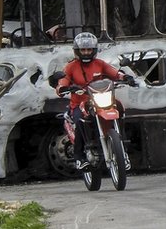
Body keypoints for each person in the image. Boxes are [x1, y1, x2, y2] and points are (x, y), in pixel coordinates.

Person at [56, 32, 135, 171]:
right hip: (80, 104)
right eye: (83, 50)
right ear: (77, 51)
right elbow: (63, 81)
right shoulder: (71, 67)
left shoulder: (100, 64)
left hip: (101, 100)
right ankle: (79, 157)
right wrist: (63, 87)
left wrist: (125, 77)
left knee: (120, 108)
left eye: (89, 50)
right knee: (80, 119)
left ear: (94, 50)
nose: (86, 53)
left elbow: (114, 73)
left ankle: (123, 150)